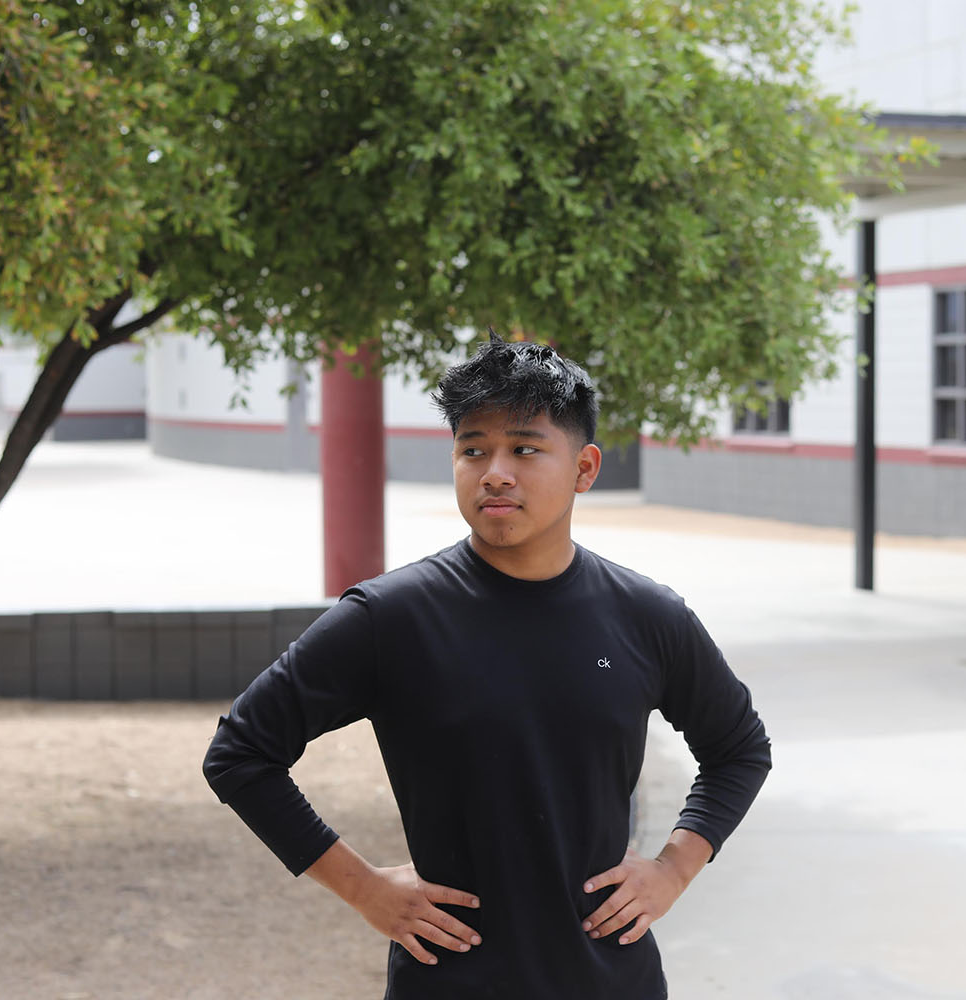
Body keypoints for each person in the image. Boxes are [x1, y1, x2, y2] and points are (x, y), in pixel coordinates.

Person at [203, 333, 771, 999]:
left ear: (584, 469)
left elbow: (738, 748)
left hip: (611, 981)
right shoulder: (392, 617)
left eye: (524, 448)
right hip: (449, 982)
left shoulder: (647, 615)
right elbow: (240, 754)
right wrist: (364, 888)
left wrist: (674, 867)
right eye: (473, 449)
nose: (494, 471)